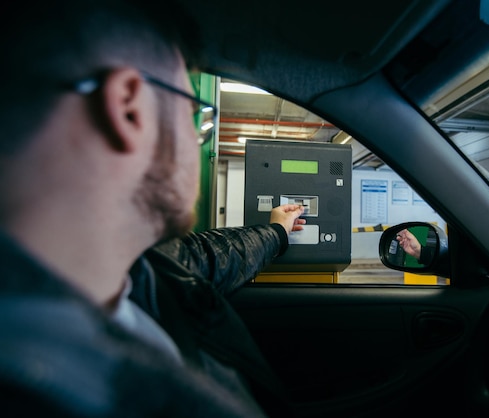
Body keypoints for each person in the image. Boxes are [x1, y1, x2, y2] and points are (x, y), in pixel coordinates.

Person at [0, 0, 305, 416]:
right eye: (193, 112)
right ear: (129, 110)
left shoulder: (142, 273)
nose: (196, 135)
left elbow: (207, 258)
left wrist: (277, 231)